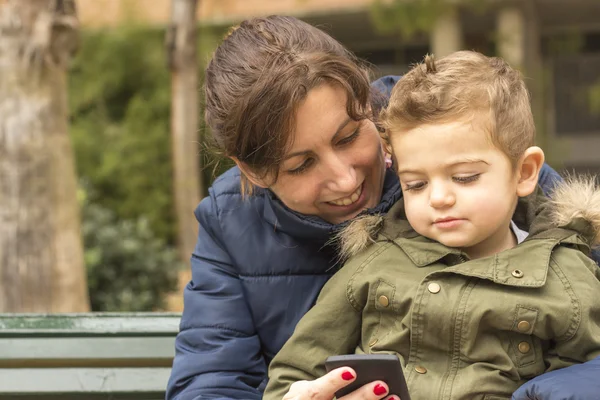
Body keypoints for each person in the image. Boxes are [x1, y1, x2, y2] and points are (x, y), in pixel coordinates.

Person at [165, 16, 600, 400]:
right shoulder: (230, 219)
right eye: (302, 165)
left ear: (370, 106)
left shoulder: (462, 137)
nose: (346, 179)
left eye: (349, 136)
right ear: (254, 173)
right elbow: (210, 381)